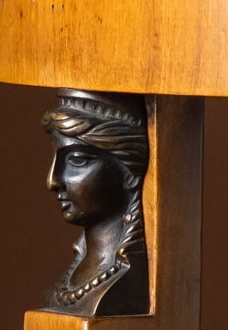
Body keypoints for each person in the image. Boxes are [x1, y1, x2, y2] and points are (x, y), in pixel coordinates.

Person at [39, 89, 151, 316]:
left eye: (77, 160)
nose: (53, 180)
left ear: (129, 172)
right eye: (55, 157)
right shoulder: (76, 278)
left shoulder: (122, 285)